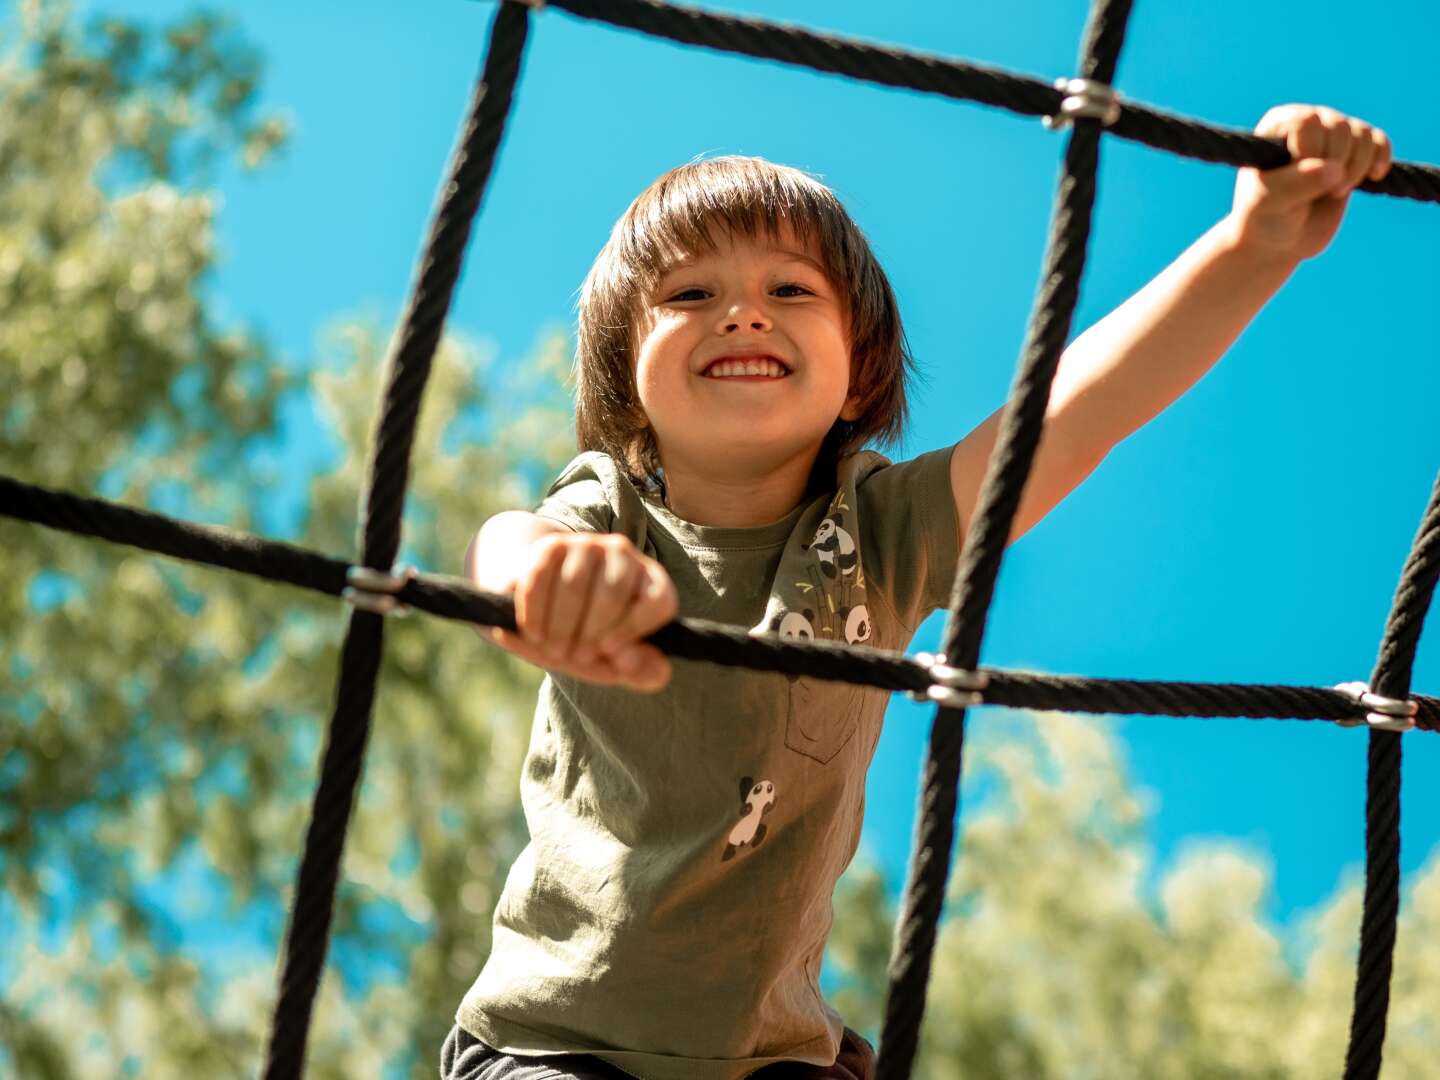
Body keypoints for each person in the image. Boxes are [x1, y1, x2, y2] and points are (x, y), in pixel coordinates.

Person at [442, 105, 1393, 1080]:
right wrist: (542, 582)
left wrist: (1252, 244)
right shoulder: (610, 513)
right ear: (627, 381)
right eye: (689, 292)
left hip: (777, 1058)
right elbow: (510, 545)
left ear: (858, 376)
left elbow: (1077, 412)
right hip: (558, 1044)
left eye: (789, 288)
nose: (745, 311)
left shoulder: (881, 536)